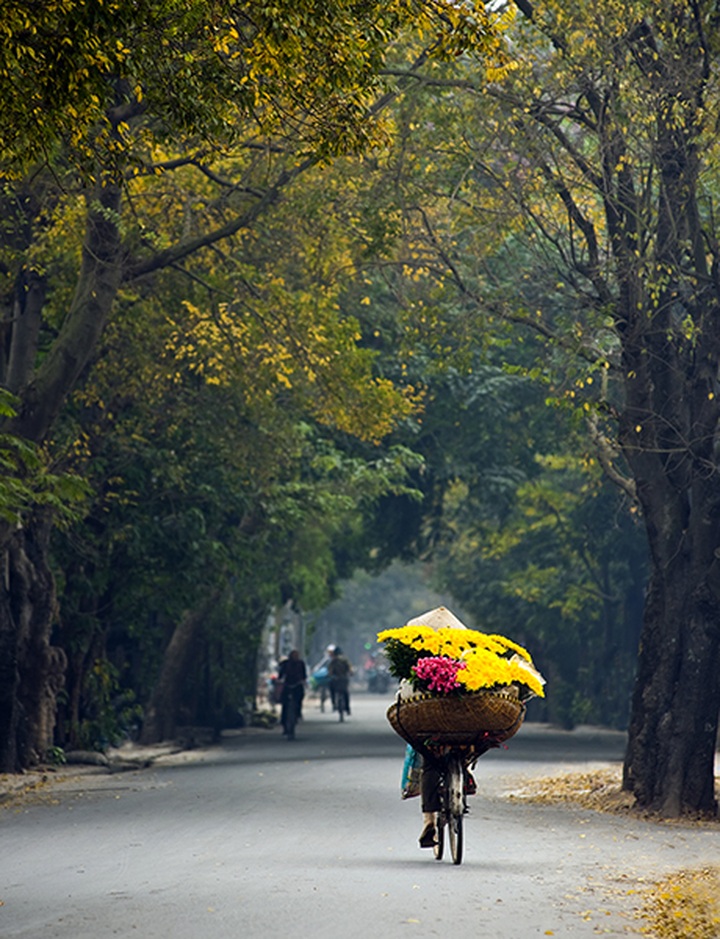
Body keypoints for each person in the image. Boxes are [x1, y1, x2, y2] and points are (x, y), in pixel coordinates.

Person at [277, 649, 307, 737]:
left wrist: (303, 681)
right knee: (285, 704)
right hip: (288, 684)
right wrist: (279, 681)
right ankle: (284, 723)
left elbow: (303, 676)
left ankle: (298, 713)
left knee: (299, 698)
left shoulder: (301, 664)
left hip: (297, 685)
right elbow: (281, 675)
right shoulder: (285, 664)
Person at [328, 645, 352, 717]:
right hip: (343, 678)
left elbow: (330, 670)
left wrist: (330, 675)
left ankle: (334, 704)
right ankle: (347, 709)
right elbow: (349, 669)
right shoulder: (344, 660)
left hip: (336, 679)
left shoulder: (333, 660)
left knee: (332, 691)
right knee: (346, 693)